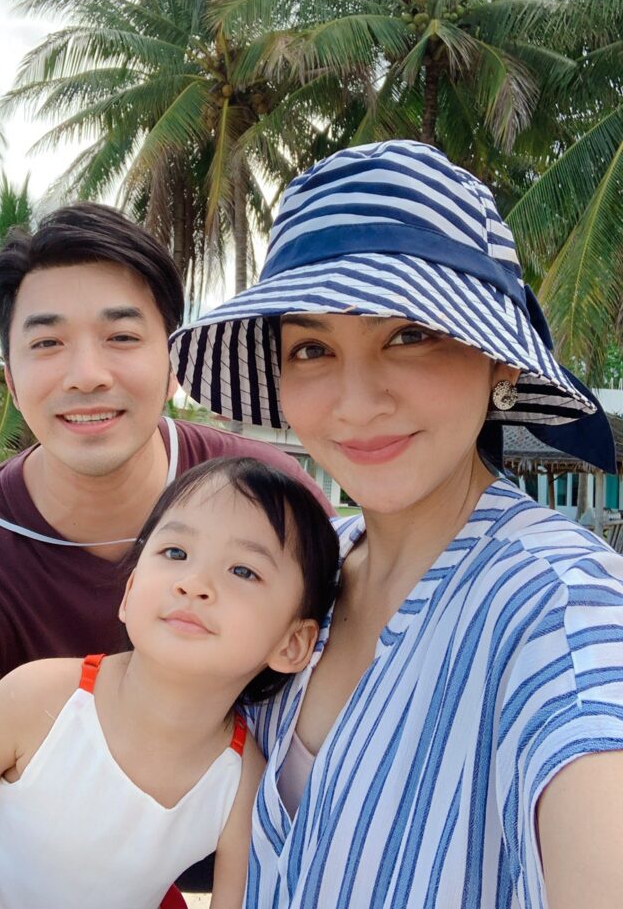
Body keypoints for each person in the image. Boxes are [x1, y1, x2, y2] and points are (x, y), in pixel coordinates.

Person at [171, 141, 623, 909]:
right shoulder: (300, 569)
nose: (355, 403)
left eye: (409, 335)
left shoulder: (562, 604)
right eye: (312, 348)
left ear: (502, 361)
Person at [0, 203, 331, 906]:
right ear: (11, 381)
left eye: (122, 336)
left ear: (173, 364)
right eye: (47, 342)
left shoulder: (276, 509)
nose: (86, 374)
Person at [0, 457, 339, 909]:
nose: (193, 583)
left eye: (243, 571)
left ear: (292, 644)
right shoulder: (43, 695)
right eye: (175, 552)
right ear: (129, 594)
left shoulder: (241, 781)